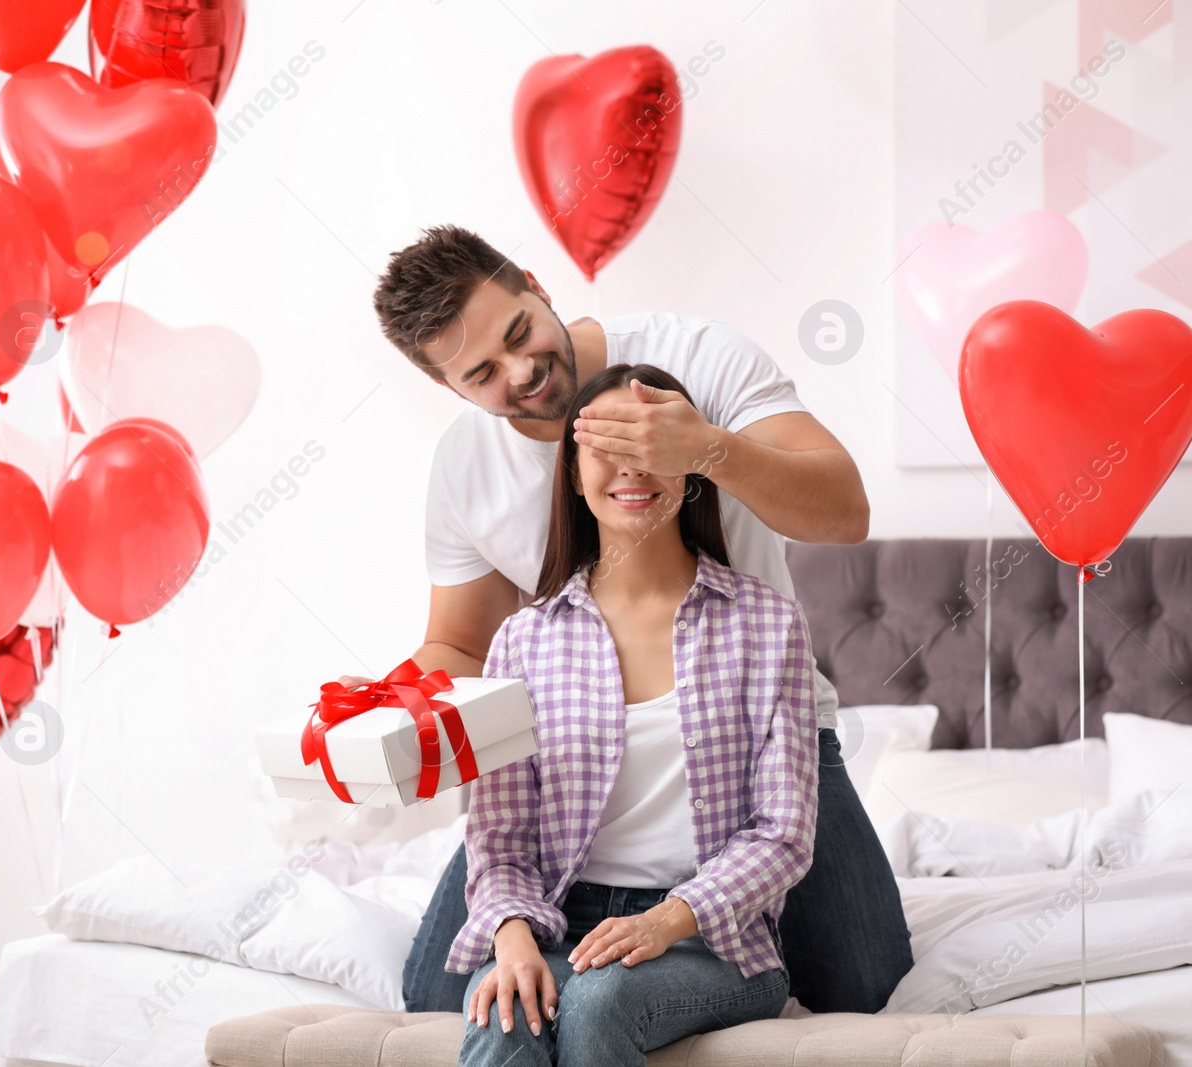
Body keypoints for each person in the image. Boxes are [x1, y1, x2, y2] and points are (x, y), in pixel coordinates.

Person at [360, 224, 912, 1015]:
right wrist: (387, 706)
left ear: (534, 282)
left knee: (860, 980)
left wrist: (706, 448)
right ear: (449, 387)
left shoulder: (699, 359)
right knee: (442, 993)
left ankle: (721, 944)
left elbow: (844, 510)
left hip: (754, 734)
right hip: (574, 755)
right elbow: (461, 642)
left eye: (520, 332)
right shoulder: (463, 468)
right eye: (482, 372)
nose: (522, 372)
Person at [452, 363, 818, 1065]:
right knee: (504, 1016)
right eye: (608, 444)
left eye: (653, 444)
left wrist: (663, 921)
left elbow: (784, 833)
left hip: (711, 937)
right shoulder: (523, 641)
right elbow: (499, 838)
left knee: (602, 999)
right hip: (561, 924)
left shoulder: (767, 622)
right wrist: (512, 936)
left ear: (692, 466)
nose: (632, 468)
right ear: (570, 469)